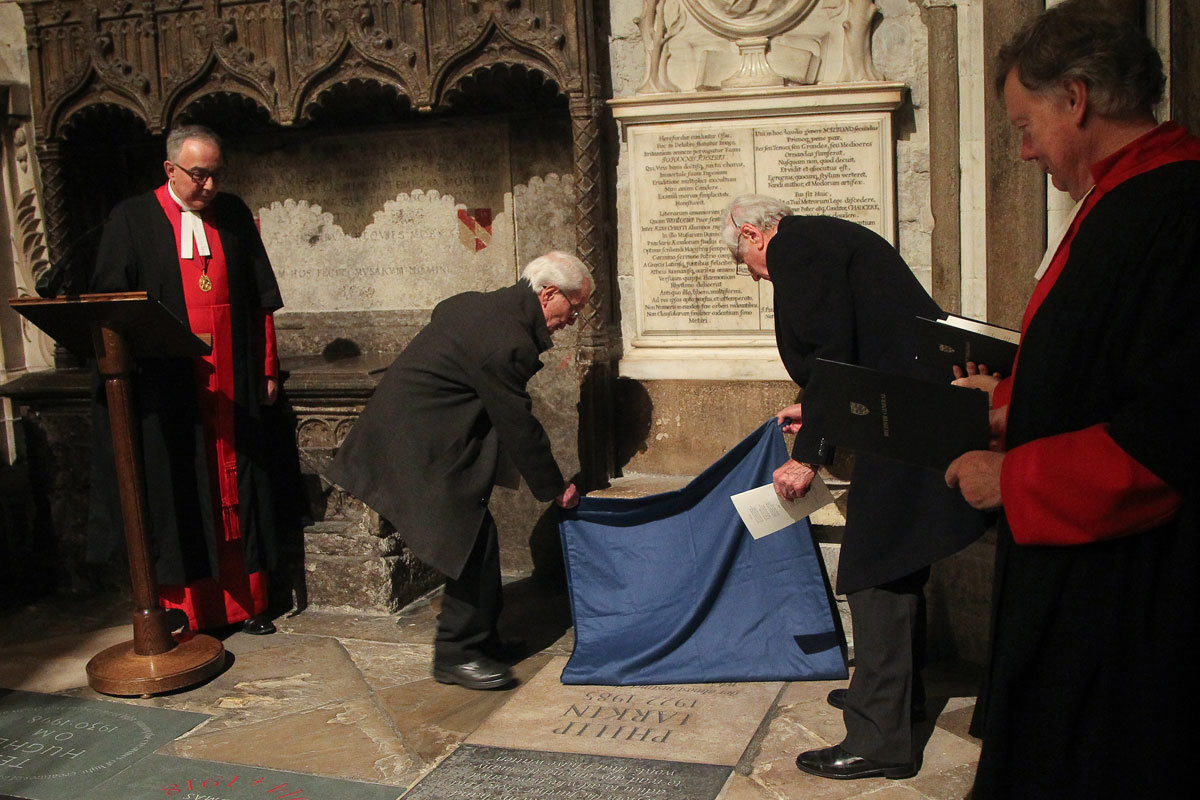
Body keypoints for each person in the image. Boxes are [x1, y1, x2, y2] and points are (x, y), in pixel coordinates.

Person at [944, 2, 1200, 796]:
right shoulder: (1124, 197)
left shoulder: (1177, 209)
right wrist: (1011, 409)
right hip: (1086, 578)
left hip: (1129, 605)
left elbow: (1172, 431)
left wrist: (1010, 479)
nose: (1023, 151)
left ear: (1076, 98)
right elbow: (1105, 367)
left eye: (1025, 125)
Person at [722, 195, 984, 780]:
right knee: (899, 557)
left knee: (874, 566)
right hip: (910, 406)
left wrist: (808, 455)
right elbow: (854, 345)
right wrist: (812, 409)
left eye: (746, 264)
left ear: (752, 233)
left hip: (905, 417)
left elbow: (832, 355)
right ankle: (895, 699)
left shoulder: (796, 247)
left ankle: (879, 738)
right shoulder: (823, 240)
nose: (754, 275)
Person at [327, 252, 590, 690]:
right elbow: (517, 423)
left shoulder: (488, 307)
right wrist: (555, 488)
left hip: (422, 436)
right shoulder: (504, 337)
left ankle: (480, 639)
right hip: (416, 445)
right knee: (467, 546)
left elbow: (445, 309)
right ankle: (456, 654)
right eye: (574, 308)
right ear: (548, 294)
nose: (573, 319)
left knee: (477, 542)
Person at [88, 125, 283, 635]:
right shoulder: (131, 218)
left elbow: (262, 302)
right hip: (168, 384)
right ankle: (188, 610)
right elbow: (109, 304)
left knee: (239, 483)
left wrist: (265, 368)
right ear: (170, 169)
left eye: (218, 174)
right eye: (199, 175)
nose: (210, 186)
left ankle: (249, 604)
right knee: (177, 487)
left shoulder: (235, 214)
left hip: (233, 377)